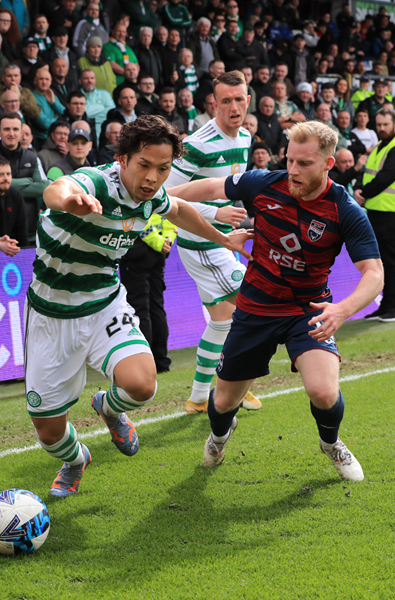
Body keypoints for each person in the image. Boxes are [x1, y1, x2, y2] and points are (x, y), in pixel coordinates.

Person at [25, 114, 251, 497]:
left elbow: (179, 210)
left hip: (104, 305)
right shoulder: (95, 183)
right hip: (52, 314)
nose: (152, 178)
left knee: (143, 385)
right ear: (123, 159)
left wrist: (222, 238)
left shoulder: (152, 196)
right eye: (144, 165)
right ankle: (77, 459)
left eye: (163, 169)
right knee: (49, 433)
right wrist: (69, 200)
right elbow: (56, 188)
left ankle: (109, 409)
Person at [169, 121, 383, 481]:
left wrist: (343, 309)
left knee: (323, 391)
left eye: (305, 164)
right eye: (290, 161)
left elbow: (374, 273)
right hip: (255, 309)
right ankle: (220, 436)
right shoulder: (264, 183)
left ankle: (330, 443)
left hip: (308, 310)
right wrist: (162, 195)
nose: (293, 171)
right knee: (221, 404)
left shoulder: (345, 210)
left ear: (329, 164)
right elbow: (210, 186)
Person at [164, 71, 262, 414]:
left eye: (239, 99)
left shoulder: (246, 137)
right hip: (200, 241)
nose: (233, 107)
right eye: (226, 101)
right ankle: (234, 381)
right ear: (214, 104)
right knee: (253, 307)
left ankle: (197, 397)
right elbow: (164, 196)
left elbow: (229, 185)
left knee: (223, 321)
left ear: (248, 101)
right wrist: (215, 213)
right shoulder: (197, 144)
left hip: (221, 240)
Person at [358, 108, 395, 322]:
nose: (381, 128)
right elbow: (373, 175)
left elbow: (386, 177)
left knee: (392, 260)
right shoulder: (383, 145)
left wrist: (364, 193)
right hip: (378, 210)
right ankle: (386, 305)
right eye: (378, 124)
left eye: (385, 124)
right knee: (381, 262)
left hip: (392, 211)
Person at [118, 212, 176, 373]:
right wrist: (167, 241)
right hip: (158, 252)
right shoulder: (162, 190)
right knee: (157, 307)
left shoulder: (135, 188)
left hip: (137, 250)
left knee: (139, 309)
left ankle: (146, 364)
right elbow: (172, 217)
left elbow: (136, 217)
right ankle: (161, 363)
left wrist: (159, 243)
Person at [0, 112, 49, 244]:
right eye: (6, 129)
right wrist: (28, 181)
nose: (11, 133)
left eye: (15, 129)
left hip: (28, 230)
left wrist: (3, 184)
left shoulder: (32, 157)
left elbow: (43, 186)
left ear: (21, 132)